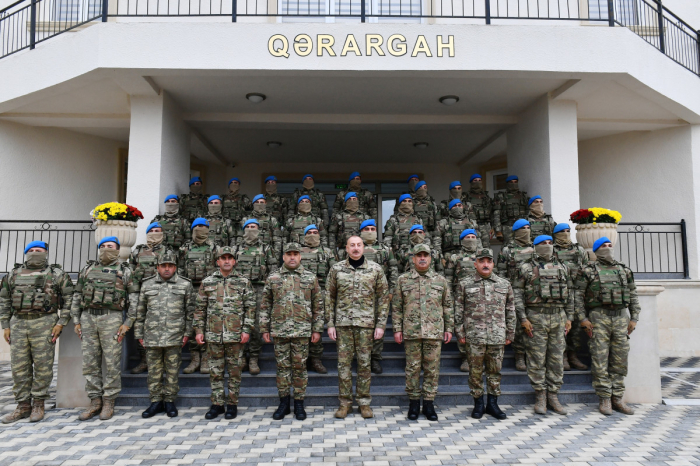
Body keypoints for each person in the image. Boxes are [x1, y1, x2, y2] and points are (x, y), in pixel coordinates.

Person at [0, 241, 74, 424]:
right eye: (31, 251)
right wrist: (5, 325)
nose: (34, 253)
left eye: (38, 251)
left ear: (46, 253)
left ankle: (38, 404)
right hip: (18, 323)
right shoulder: (13, 274)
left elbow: (69, 300)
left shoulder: (57, 274)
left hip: (45, 323)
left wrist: (61, 323)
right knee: (19, 367)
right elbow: (4, 300)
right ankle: (23, 406)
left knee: (43, 367)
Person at [72, 237, 139, 421]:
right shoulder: (87, 269)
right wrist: (76, 320)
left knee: (111, 362)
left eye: (110, 246)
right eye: (102, 246)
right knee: (90, 362)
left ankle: (109, 401)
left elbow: (134, 300)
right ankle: (95, 401)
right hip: (88, 318)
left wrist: (128, 323)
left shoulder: (125, 271)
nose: (106, 249)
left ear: (117, 250)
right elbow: (77, 295)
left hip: (112, 318)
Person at [326, 236, 390, 419]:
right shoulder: (337, 269)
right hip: (343, 325)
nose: (355, 248)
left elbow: (384, 299)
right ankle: (344, 403)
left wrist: (381, 325)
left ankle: (364, 403)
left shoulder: (376, 270)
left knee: (364, 364)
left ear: (364, 247)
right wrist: (330, 323)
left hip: (366, 325)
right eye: (352, 245)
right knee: (343, 365)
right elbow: (329, 298)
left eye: (359, 245)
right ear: (346, 248)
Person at [576, 237, 640, 416]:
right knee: (600, 358)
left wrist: (634, 317)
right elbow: (578, 297)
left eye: (610, 245)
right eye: (603, 246)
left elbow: (633, 294)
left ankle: (618, 398)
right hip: (598, 317)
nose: (608, 248)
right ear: (596, 250)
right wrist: (583, 319)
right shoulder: (588, 271)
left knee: (620, 359)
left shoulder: (623, 270)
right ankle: (604, 398)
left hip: (621, 318)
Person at [260, 243, 324, 421]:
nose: (292, 257)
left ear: (301, 256)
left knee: (300, 368)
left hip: (302, 331)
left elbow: (318, 306)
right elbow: (265, 306)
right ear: (283, 257)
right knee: (282, 368)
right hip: (280, 331)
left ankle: (299, 403)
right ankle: (283, 403)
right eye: (289, 254)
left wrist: (317, 329)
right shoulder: (273, 278)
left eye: (296, 254)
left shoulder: (310, 278)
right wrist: (264, 328)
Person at [193, 246, 256, 420]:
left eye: (230, 258)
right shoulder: (207, 282)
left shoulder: (243, 281)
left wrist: (246, 329)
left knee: (235, 371)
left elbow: (250, 307)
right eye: (223, 258)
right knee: (215, 371)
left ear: (234, 261)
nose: (227, 260)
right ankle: (217, 404)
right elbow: (199, 309)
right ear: (217, 261)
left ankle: (232, 404)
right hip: (213, 335)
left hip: (235, 335)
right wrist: (199, 330)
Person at [513, 235, 573, 416]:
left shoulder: (563, 267)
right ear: (535, 247)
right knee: (536, 359)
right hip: (536, 317)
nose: (547, 246)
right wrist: (523, 318)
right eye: (542, 244)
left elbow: (570, 294)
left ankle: (553, 396)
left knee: (556, 359)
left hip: (558, 317)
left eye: (549, 243)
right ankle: (540, 395)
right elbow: (517, 294)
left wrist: (569, 317)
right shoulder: (525, 268)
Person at [392, 243, 453, 421]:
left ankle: (428, 403)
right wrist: (397, 329)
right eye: (419, 255)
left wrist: (448, 328)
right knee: (412, 369)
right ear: (413, 258)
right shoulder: (403, 280)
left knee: (431, 369)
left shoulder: (440, 281)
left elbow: (448, 306)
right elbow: (396, 308)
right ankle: (413, 403)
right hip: (412, 332)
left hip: (434, 332)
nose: (422, 258)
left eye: (425, 255)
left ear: (430, 258)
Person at [132, 251, 195, 419]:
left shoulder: (185, 285)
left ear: (175, 267)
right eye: (163, 266)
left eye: (170, 266)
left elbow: (190, 312)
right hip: (151, 335)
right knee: (154, 371)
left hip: (175, 335)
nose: (167, 269)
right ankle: (155, 401)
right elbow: (140, 312)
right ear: (157, 267)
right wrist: (139, 334)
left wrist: (187, 333)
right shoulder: (147, 285)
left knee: (172, 371)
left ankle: (169, 401)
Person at [455, 248, 515, 420]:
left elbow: (510, 310)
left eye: (489, 261)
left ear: (493, 264)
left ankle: (493, 404)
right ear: (476, 264)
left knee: (495, 371)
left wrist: (510, 333)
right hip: (474, 336)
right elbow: (458, 309)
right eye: (482, 261)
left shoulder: (504, 284)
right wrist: (460, 332)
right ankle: (478, 403)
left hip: (497, 336)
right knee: (475, 371)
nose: (486, 264)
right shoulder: (465, 284)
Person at [128, 222, 174, 374]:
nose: (155, 233)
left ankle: (163, 361)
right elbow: (132, 273)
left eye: (158, 231)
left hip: (163, 294)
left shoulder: (169, 251)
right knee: (141, 326)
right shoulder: (138, 251)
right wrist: (134, 293)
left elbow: (174, 272)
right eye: (152, 231)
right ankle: (144, 360)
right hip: (143, 294)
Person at [234, 219, 278, 375]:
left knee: (257, 326)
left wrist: (269, 289)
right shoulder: (236, 248)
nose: (251, 229)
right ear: (243, 229)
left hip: (259, 289)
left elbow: (273, 270)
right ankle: (241, 357)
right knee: (238, 323)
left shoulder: (266, 248)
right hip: (239, 290)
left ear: (259, 230)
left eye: (254, 227)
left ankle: (253, 357)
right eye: (248, 227)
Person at [358, 219, 399, 375]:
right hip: (357, 296)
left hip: (378, 294)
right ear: (361, 231)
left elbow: (393, 270)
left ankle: (375, 358)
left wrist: (391, 290)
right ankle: (361, 358)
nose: (369, 231)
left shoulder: (385, 249)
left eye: (372, 228)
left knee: (377, 328)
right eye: (366, 228)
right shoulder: (355, 247)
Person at [178, 218, 218, 375]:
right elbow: (180, 269)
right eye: (197, 226)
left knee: (208, 322)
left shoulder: (215, 248)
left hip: (209, 290)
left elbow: (219, 268)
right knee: (193, 323)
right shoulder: (185, 249)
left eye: (203, 226)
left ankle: (206, 358)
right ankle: (195, 359)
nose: (200, 229)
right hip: (191, 289)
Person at [496, 219, 534, 372]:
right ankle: (519, 354)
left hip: (534, 292)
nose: (526, 230)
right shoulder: (507, 250)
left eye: (528, 228)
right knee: (518, 324)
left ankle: (532, 355)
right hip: (514, 291)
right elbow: (501, 272)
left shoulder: (536, 248)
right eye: (522, 228)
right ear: (516, 231)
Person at [299, 225, 337, 374]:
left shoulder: (327, 252)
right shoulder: (298, 252)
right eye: (309, 233)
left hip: (320, 292)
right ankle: (301, 360)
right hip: (300, 294)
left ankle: (315, 359)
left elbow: (334, 273)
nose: (313, 235)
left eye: (315, 232)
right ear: (304, 235)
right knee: (301, 327)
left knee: (317, 325)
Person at [552, 223, 589, 371]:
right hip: (559, 293)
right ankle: (563, 356)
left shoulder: (578, 250)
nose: (566, 234)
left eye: (568, 231)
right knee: (561, 326)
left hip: (577, 292)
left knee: (576, 328)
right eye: (562, 232)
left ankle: (573, 355)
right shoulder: (551, 250)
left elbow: (586, 270)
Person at [444, 228, 480, 372]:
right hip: (461, 298)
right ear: (462, 240)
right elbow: (448, 278)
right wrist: (449, 297)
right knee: (462, 328)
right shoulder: (454, 258)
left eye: (473, 236)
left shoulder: (483, 255)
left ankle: (479, 357)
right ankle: (465, 357)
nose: (471, 239)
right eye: (468, 237)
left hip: (481, 298)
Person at [237, 195, 283, 262]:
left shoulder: (272, 220)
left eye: (262, 202)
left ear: (265, 203)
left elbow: (277, 240)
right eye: (257, 202)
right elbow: (239, 238)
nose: (259, 204)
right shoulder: (245, 219)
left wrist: (275, 257)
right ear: (253, 204)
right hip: (247, 252)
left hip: (266, 253)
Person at [465, 175, 498, 248]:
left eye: (479, 180)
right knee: (473, 247)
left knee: (486, 248)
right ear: (471, 182)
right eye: (475, 180)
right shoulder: (466, 197)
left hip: (485, 226)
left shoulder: (486, 197)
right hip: (472, 226)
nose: (478, 182)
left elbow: (492, 212)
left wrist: (493, 227)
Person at [493, 175, 528, 244]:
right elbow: (496, 214)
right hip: (507, 227)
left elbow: (528, 212)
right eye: (511, 182)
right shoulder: (501, 196)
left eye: (515, 182)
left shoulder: (523, 196)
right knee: (508, 247)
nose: (513, 184)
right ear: (507, 184)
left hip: (521, 227)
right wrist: (498, 230)